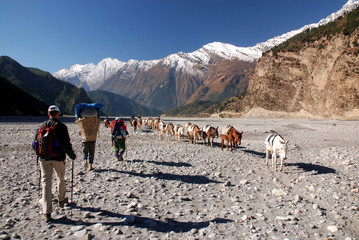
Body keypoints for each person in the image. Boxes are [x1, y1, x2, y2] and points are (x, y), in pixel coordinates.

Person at [33, 105, 76, 222]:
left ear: (48, 114)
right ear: (58, 114)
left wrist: (39, 154)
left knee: (46, 183)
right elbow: (67, 143)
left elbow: (34, 144)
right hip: (58, 158)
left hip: (44, 159)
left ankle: (46, 212)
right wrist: (72, 155)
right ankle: (61, 199)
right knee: (61, 177)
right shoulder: (62, 127)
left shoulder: (41, 126)